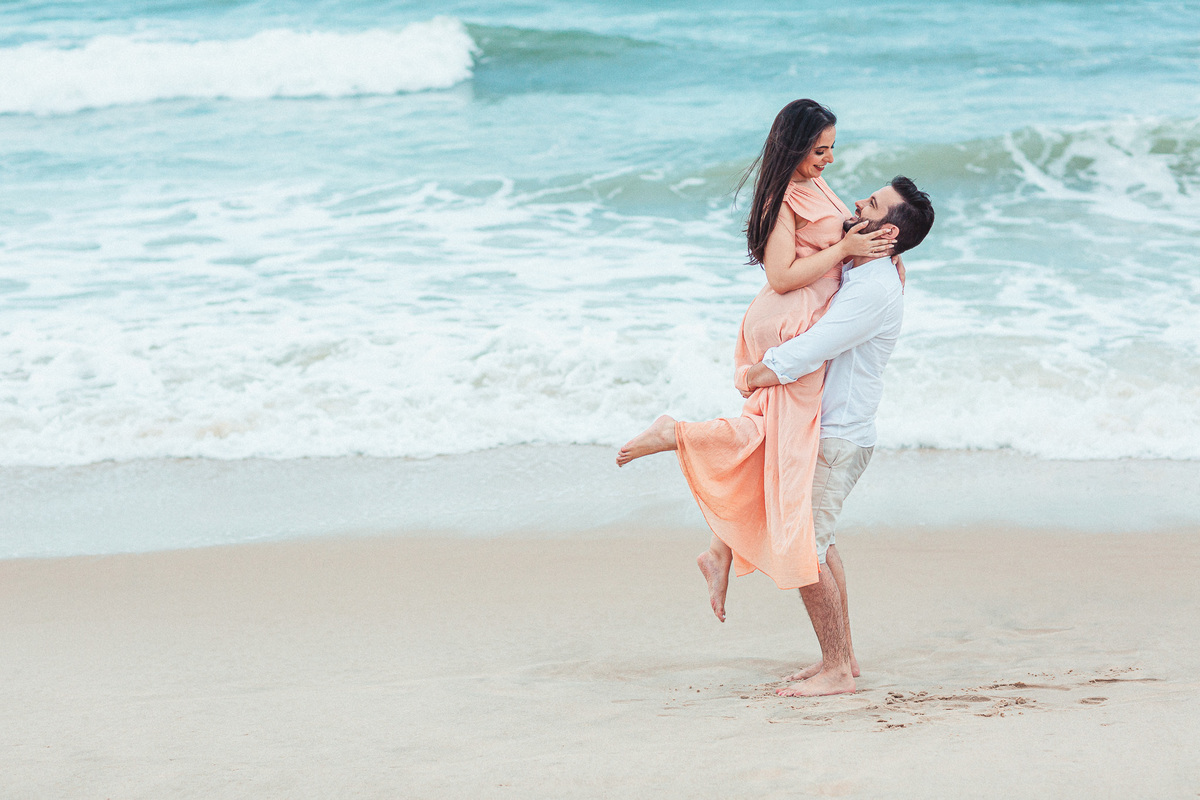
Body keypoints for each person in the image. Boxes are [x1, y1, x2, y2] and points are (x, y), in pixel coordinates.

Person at [615, 101, 894, 619]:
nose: (829, 159)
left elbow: (843, 239)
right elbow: (781, 277)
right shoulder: (780, 198)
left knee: (770, 441)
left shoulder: (816, 184)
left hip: (802, 327)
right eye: (820, 149)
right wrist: (845, 251)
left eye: (832, 148)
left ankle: (719, 548)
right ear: (794, 146)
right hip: (788, 325)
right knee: (779, 443)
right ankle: (675, 433)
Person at [740, 176, 935, 697]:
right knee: (820, 546)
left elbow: (822, 341)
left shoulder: (873, 288)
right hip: (833, 434)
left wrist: (765, 369)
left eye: (870, 204)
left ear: (885, 230)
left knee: (805, 548)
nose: (856, 203)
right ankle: (842, 660)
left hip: (838, 439)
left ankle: (835, 670)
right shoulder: (867, 269)